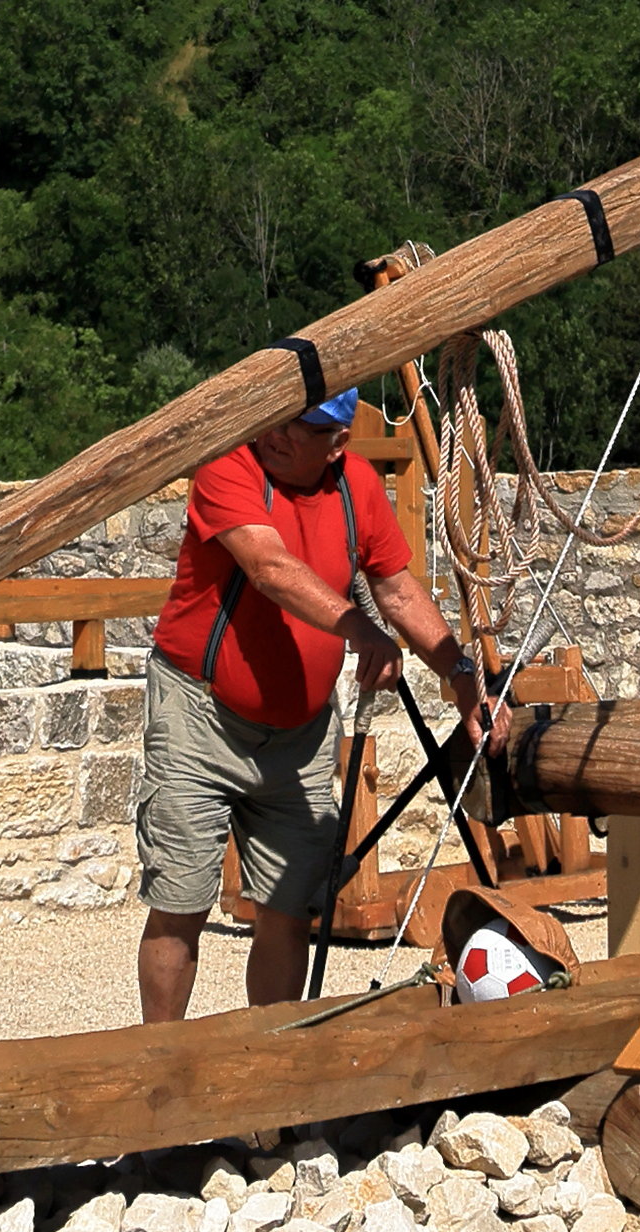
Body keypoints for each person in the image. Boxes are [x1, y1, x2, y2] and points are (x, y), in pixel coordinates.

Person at [135, 384, 481, 1020]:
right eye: (277, 416)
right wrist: (360, 630)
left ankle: (272, 1060)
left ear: (338, 442)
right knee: (180, 903)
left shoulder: (357, 486)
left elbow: (398, 590)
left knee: (289, 911)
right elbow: (268, 568)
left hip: (300, 732)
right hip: (200, 717)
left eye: (301, 425)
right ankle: (161, 1062)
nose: (277, 433)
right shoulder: (228, 464)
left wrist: (462, 675)